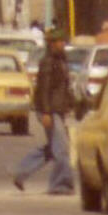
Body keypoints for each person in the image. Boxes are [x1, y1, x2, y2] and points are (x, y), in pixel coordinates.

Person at [11, 26, 75, 195]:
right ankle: (61, 184)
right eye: (60, 41)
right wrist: (46, 113)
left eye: (63, 41)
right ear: (52, 44)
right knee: (61, 149)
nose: (63, 44)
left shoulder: (62, 61)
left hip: (57, 110)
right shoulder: (48, 62)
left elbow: (64, 88)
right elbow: (44, 89)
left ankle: (20, 171)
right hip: (49, 110)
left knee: (54, 148)